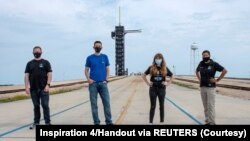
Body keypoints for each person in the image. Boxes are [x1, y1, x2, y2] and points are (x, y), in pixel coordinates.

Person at [85, 41, 113, 125]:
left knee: (107, 103)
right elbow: (86, 70)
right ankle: (96, 122)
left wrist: (106, 79)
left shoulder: (105, 57)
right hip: (93, 84)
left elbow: (107, 69)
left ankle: (109, 121)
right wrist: (88, 79)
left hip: (103, 84)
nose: (98, 47)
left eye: (99, 46)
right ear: (93, 47)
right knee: (94, 105)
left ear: (101, 47)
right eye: (96, 46)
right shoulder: (89, 58)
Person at [196, 50, 227, 125]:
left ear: (209, 56)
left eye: (206, 55)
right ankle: (207, 120)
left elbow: (224, 71)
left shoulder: (214, 64)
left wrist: (217, 80)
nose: (205, 56)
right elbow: (196, 71)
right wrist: (200, 79)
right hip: (202, 87)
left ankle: (212, 122)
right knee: (205, 105)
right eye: (203, 55)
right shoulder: (201, 64)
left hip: (210, 88)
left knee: (211, 105)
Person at [24, 46, 52, 129]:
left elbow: (49, 74)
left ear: (41, 52)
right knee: (36, 106)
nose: (36, 53)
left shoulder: (46, 62)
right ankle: (36, 122)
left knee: (45, 105)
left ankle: (47, 122)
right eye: (35, 51)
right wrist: (26, 87)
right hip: (33, 89)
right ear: (33, 53)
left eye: (38, 51)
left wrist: (48, 85)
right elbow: (26, 75)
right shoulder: (29, 63)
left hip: (44, 88)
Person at [142, 53, 173, 124]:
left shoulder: (165, 68)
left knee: (161, 106)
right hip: (153, 89)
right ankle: (150, 122)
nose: (158, 60)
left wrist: (167, 83)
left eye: (159, 58)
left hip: (162, 89)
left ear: (162, 59)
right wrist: (148, 83)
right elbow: (143, 75)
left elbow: (172, 76)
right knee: (153, 106)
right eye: (156, 58)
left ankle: (161, 122)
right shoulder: (151, 67)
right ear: (154, 59)